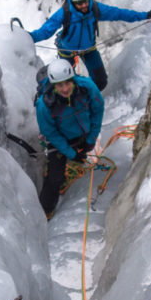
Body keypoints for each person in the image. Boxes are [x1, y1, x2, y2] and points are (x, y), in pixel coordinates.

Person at [29, 0, 151, 91]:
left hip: (89, 50)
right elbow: (45, 31)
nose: (84, 5)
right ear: (72, 2)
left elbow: (120, 13)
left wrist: (145, 15)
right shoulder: (64, 13)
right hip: (67, 51)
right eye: (80, 3)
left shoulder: (95, 8)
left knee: (100, 81)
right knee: (63, 82)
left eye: (85, 1)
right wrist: (28, 37)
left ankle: (86, 99)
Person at [35, 58, 104, 218]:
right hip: (60, 139)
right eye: (60, 85)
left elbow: (97, 110)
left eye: (67, 83)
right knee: (55, 177)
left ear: (73, 79)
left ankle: (75, 161)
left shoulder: (87, 88)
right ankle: (44, 212)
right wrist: (71, 153)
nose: (65, 88)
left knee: (80, 157)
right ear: (53, 85)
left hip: (83, 133)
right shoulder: (44, 105)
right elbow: (50, 133)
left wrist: (91, 139)